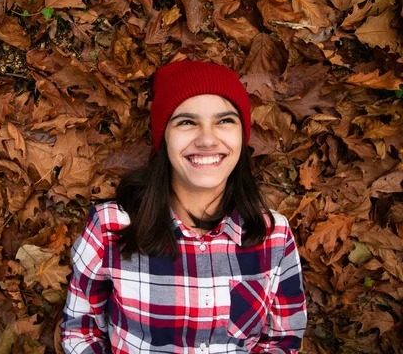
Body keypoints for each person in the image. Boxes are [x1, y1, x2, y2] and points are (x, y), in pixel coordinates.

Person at [60, 61, 307, 353]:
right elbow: (81, 330)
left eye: (225, 120)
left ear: (243, 134)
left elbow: (283, 340)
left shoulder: (273, 235)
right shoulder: (111, 227)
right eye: (187, 122)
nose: (206, 139)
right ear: (163, 137)